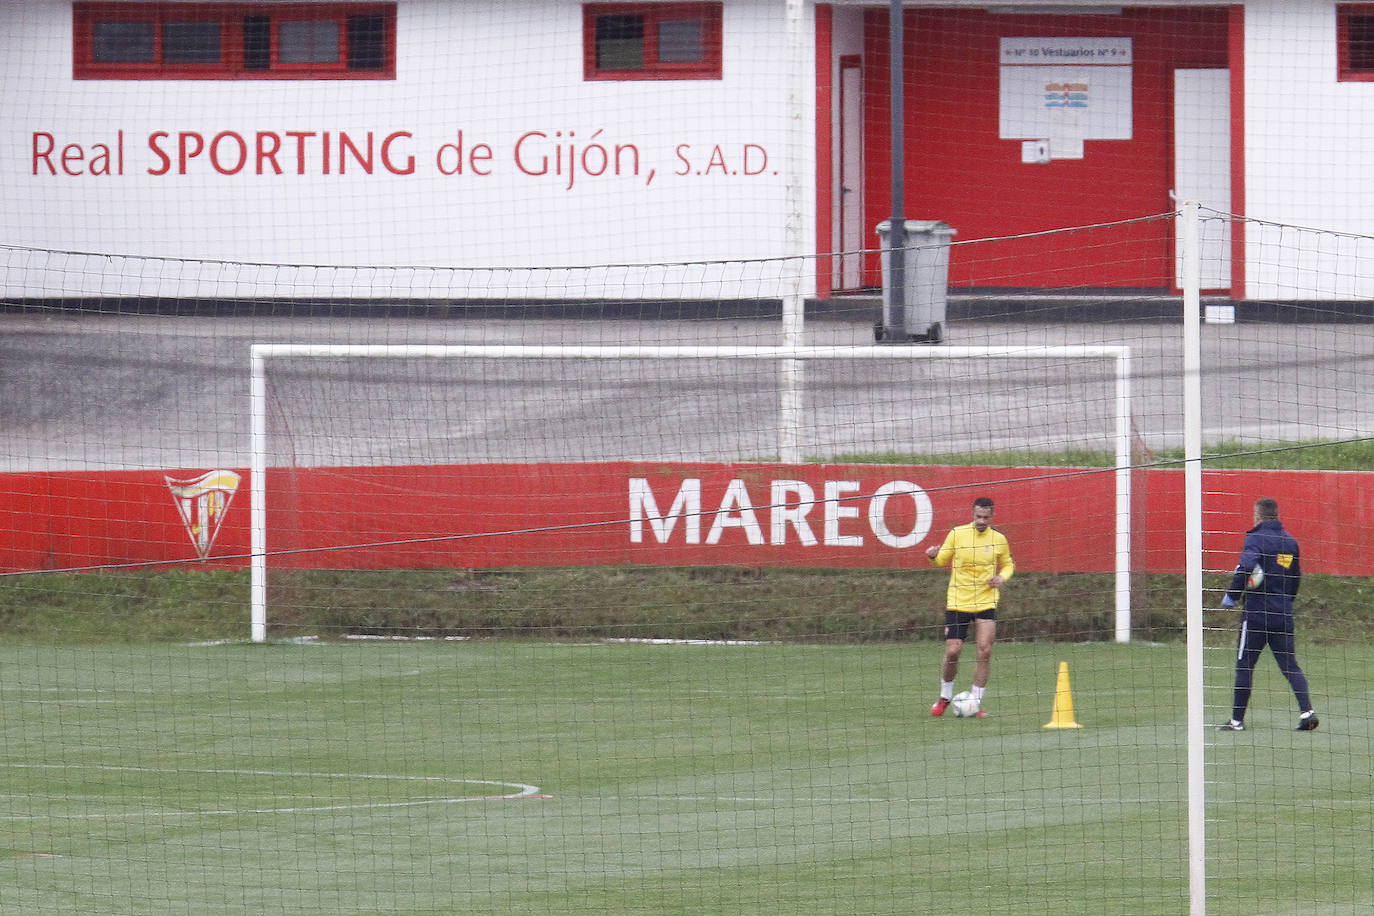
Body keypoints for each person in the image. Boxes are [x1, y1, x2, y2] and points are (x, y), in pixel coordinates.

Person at [1217, 497, 1318, 732]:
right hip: (1283, 614)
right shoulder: (1290, 542)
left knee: (1245, 665)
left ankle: (1236, 721)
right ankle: (1308, 713)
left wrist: (1232, 595)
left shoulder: (1255, 538)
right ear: (1276, 514)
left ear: (1257, 515)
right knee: (1290, 665)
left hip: (1256, 615)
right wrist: (1286, 602)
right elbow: (1295, 577)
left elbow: (1246, 567)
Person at [926, 496, 1014, 718]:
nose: (982, 521)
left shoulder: (999, 539)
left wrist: (1001, 577)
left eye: (986, 517)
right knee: (953, 650)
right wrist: (933, 557)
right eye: (978, 516)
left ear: (992, 517)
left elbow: (1008, 564)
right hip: (959, 601)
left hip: (986, 601)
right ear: (972, 514)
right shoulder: (957, 534)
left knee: (985, 650)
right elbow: (941, 560)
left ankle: (975, 703)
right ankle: (945, 697)